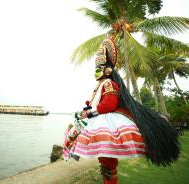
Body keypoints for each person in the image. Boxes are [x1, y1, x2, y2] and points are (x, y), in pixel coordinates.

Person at [63, 37, 180, 184]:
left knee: (107, 159)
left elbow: (109, 104)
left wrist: (91, 112)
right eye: (95, 69)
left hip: (106, 121)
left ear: (107, 69)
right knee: (104, 158)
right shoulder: (101, 84)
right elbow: (94, 103)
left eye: (99, 69)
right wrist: (86, 110)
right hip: (99, 119)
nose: (96, 72)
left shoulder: (109, 84)